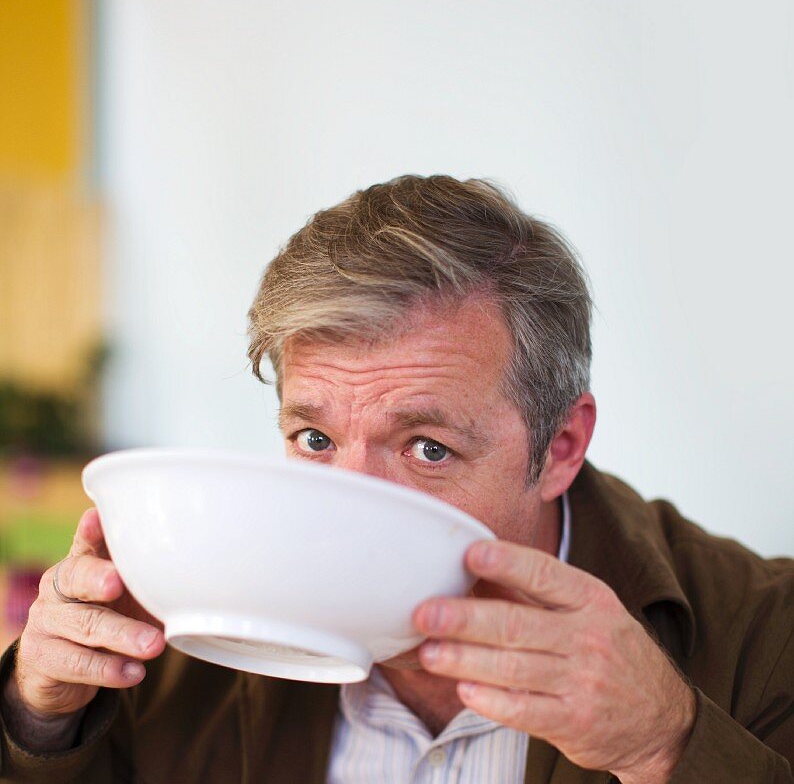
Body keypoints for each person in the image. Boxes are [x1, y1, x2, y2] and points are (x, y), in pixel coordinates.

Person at [1, 174, 792, 783]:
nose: (342, 508)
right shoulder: (191, 622)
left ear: (559, 447)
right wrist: (38, 719)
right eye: (314, 437)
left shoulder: (765, 635)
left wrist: (671, 745)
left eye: (426, 449)